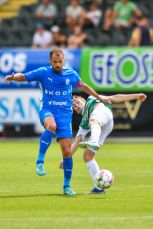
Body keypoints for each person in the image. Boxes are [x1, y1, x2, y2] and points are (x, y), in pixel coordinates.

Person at [4, 48, 111, 196]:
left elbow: (83, 86)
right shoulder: (43, 72)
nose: (58, 64)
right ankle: (40, 161)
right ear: (50, 61)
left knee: (67, 152)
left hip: (65, 115)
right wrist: (13, 76)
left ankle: (67, 186)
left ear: (63, 60)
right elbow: (25, 77)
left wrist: (98, 96)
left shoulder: (71, 74)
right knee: (51, 126)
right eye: (55, 62)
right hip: (48, 110)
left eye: (60, 61)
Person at [60, 93, 147, 194]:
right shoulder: (84, 123)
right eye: (74, 106)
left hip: (103, 112)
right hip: (105, 126)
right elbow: (76, 143)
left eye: (77, 102)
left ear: (83, 101)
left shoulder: (91, 99)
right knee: (87, 156)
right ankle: (99, 188)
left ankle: (94, 140)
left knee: (93, 121)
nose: (76, 106)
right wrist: (65, 159)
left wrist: (136, 96)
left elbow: (113, 97)